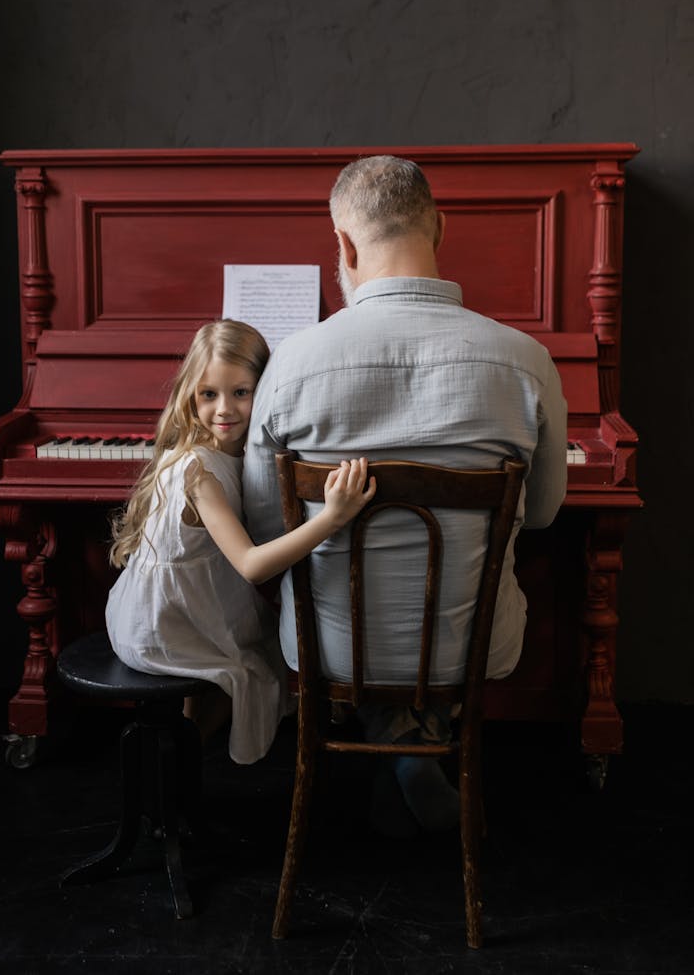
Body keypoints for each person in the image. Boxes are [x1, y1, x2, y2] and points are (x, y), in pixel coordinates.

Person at [242, 155, 568, 834]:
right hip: (471, 650)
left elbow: (263, 523)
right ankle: (416, 735)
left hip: (327, 651)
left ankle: (393, 732)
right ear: (440, 229)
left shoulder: (290, 364)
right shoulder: (528, 361)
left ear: (343, 244)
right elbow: (540, 512)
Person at [105, 319, 376, 766]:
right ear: (190, 395)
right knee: (259, 663)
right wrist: (333, 517)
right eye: (208, 394)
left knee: (265, 643)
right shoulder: (199, 470)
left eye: (241, 393)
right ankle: (172, 767)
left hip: (186, 606)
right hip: (163, 624)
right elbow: (251, 566)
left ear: (264, 392)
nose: (224, 409)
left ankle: (180, 763)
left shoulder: (231, 455)